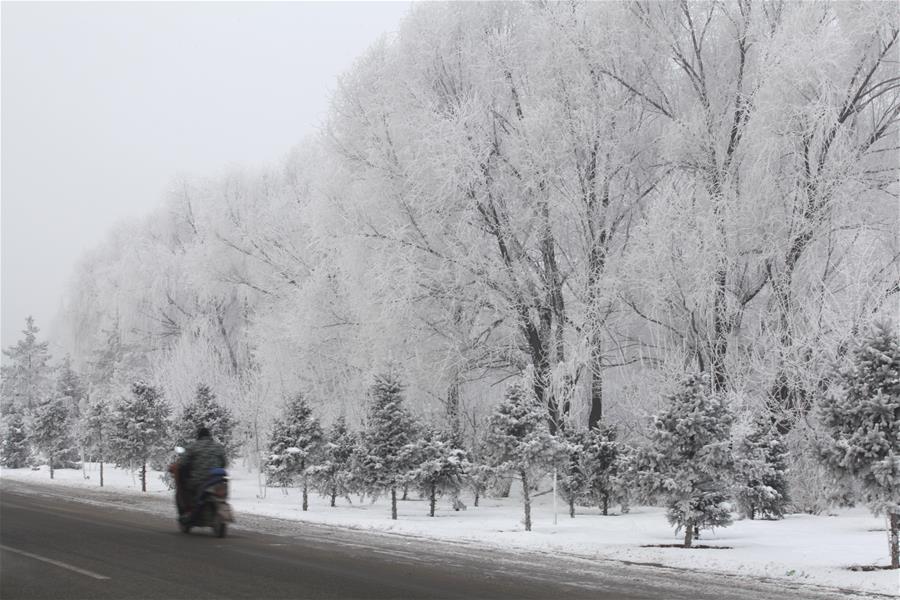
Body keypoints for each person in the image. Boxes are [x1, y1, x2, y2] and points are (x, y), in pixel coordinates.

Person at [178, 426, 226, 525]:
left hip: (199, 480)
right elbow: (224, 463)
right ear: (209, 436)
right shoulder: (218, 447)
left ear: (198, 436)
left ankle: (189, 512)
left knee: (185, 489)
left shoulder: (193, 447)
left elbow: (183, 463)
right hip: (217, 480)